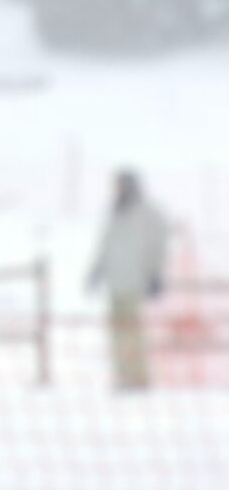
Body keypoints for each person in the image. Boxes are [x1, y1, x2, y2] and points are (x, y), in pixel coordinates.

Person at [87, 168, 170, 391]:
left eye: (123, 184)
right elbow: (105, 245)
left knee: (133, 330)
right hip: (115, 281)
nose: (119, 189)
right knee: (117, 330)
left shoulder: (148, 213)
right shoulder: (115, 212)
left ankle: (138, 377)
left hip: (135, 281)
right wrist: (96, 271)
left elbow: (159, 245)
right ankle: (122, 376)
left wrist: (155, 273)